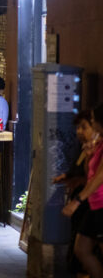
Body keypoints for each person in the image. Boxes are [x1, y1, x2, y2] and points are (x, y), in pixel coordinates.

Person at [54, 110, 98, 276]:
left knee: (82, 249)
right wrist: (67, 177)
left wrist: (78, 199)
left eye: (84, 127)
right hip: (86, 201)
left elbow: (93, 177)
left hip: (91, 202)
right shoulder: (85, 148)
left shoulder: (96, 148)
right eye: (78, 127)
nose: (79, 131)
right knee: (80, 248)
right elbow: (82, 171)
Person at [62, 104, 103, 277]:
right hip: (95, 204)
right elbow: (90, 174)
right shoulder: (97, 144)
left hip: (101, 203)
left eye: (92, 120)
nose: (92, 123)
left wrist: (77, 200)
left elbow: (100, 176)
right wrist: (88, 156)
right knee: (81, 249)